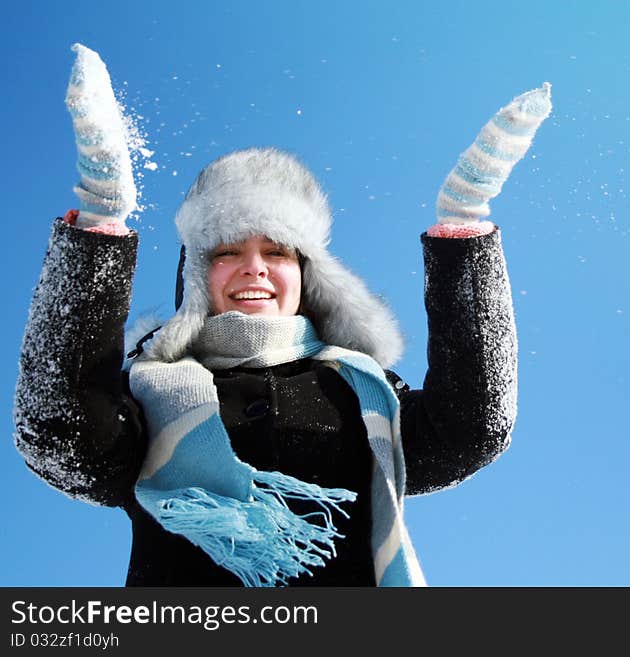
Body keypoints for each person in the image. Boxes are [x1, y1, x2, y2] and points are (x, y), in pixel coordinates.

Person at [13, 44, 552, 587]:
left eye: (277, 252)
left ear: (307, 275)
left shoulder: (361, 391)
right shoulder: (147, 395)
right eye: (226, 252)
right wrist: (98, 220)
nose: (254, 269)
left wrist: (464, 227)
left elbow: (473, 428)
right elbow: (57, 432)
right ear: (198, 278)